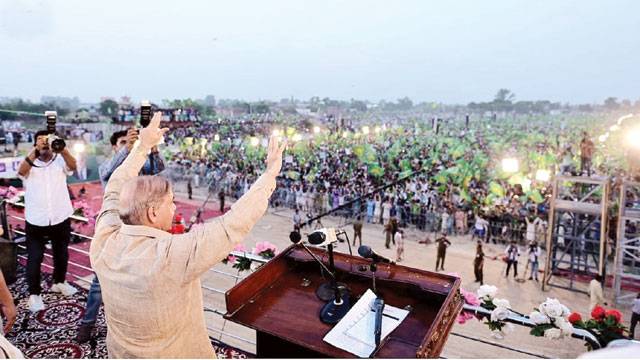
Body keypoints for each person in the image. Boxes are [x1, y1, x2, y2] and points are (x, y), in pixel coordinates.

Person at [90, 113, 285, 358]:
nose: (174, 209)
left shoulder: (104, 239)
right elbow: (233, 223)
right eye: (170, 203)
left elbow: (114, 187)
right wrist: (270, 174)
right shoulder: (171, 256)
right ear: (152, 212)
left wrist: (143, 146)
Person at [77, 128, 166, 343]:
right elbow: (111, 172)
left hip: (140, 231)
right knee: (99, 283)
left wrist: (152, 149)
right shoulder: (108, 165)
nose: (130, 144)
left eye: (131, 141)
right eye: (124, 142)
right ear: (115, 146)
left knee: (141, 280)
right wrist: (128, 149)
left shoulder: (141, 166)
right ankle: (87, 324)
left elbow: (158, 169)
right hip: (114, 232)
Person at [17, 130, 78, 313]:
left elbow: (73, 166)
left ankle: (59, 282)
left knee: (61, 254)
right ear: (34, 144)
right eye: (40, 141)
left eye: (47, 141)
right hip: (36, 219)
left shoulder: (60, 160)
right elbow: (21, 172)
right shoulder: (29, 162)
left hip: (60, 216)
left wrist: (62, 149)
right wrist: (36, 150)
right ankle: (34, 294)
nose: (44, 144)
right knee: (35, 258)